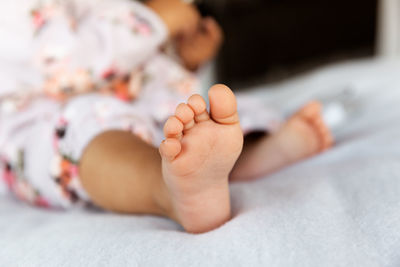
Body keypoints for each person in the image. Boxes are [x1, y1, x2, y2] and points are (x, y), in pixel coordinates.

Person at [0, 0, 333, 233]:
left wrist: (181, 59)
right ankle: (166, 190)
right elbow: (59, 64)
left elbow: (122, 60)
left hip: (127, 97)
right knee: (89, 131)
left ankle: (245, 156)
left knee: (193, 110)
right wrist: (152, 20)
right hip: (41, 114)